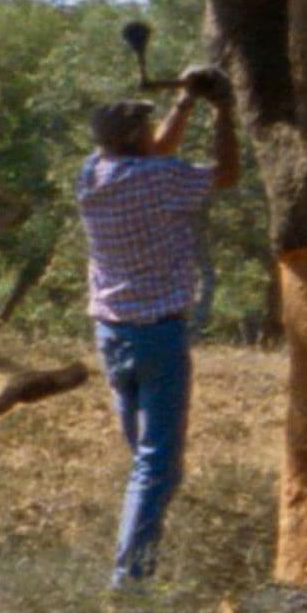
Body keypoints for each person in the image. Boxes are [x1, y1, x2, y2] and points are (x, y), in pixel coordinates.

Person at [75, 65, 238, 586]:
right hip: (157, 335)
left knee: (144, 458)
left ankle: (137, 554)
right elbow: (226, 174)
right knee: (157, 465)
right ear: (135, 140)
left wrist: (185, 104)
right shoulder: (159, 179)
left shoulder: (93, 174)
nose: (155, 138)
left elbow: (158, 151)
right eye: (147, 131)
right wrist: (225, 112)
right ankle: (130, 582)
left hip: (112, 334)